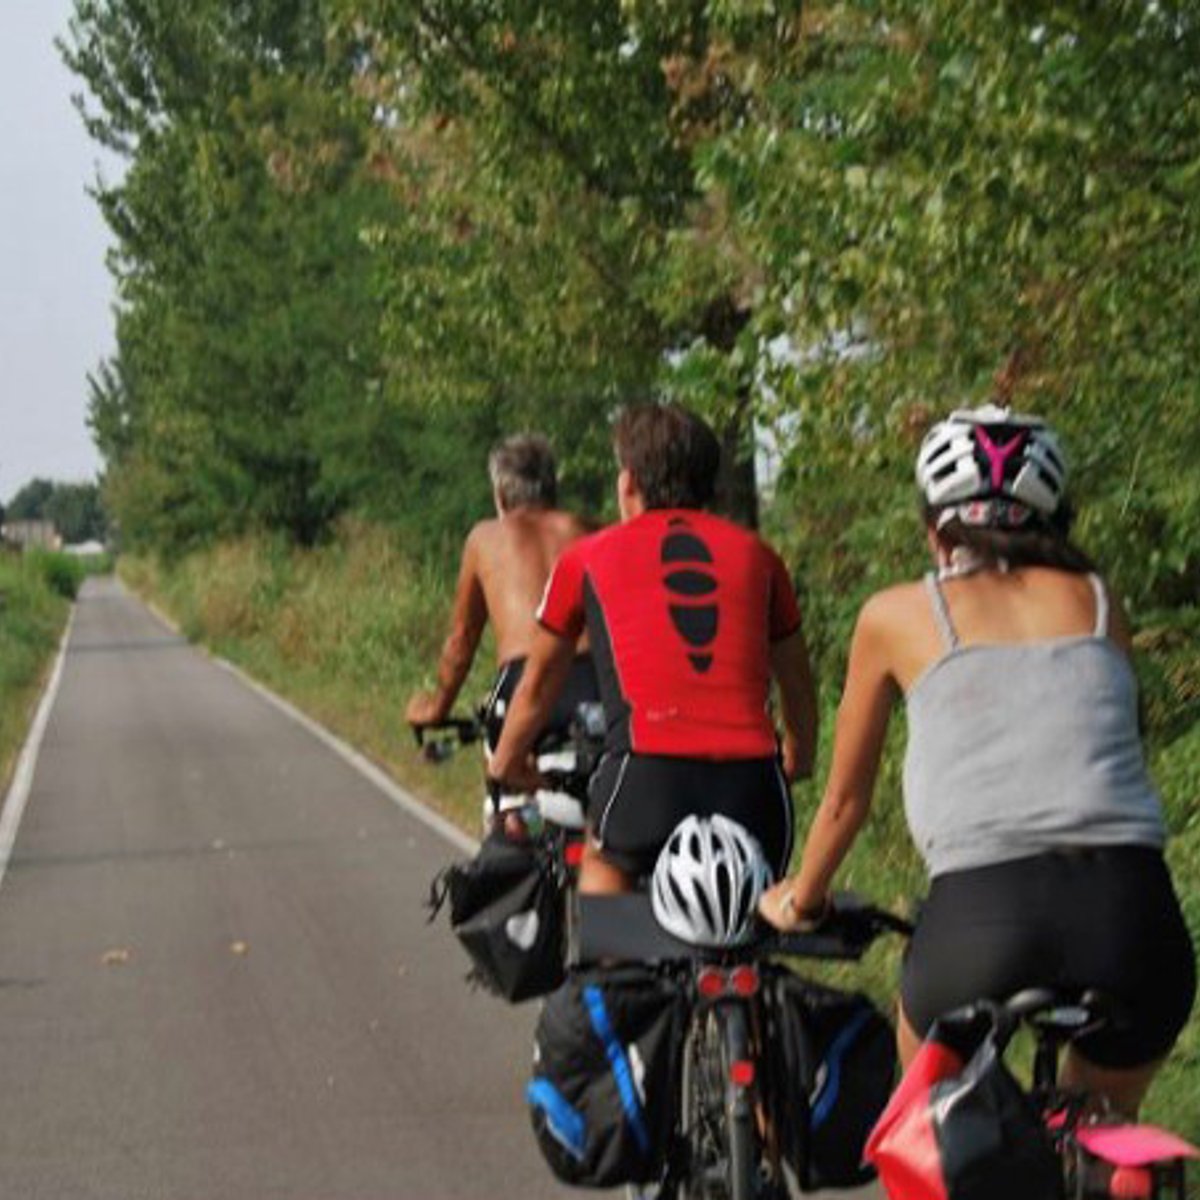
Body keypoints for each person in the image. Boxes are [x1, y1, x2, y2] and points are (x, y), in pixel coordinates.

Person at [761, 403, 1195, 1117]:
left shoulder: (894, 614)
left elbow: (843, 803)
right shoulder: (1099, 600)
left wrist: (802, 899)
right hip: (1132, 917)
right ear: (1056, 519)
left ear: (936, 529)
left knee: (932, 1134)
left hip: (980, 923)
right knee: (1106, 1123)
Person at [488, 402, 819, 893]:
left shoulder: (586, 558)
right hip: (754, 788)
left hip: (648, 778)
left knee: (603, 864)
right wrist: (798, 757)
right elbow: (797, 683)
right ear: (711, 484)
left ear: (628, 484)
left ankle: (605, 969)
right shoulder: (760, 556)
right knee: (751, 908)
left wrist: (507, 764)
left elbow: (537, 687)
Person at [405, 433, 597, 773]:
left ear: (500, 495)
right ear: (553, 488)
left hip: (523, 680)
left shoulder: (485, 537)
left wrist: (437, 708)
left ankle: (506, 820)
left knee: (504, 787)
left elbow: (461, 642)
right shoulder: (590, 531)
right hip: (594, 680)